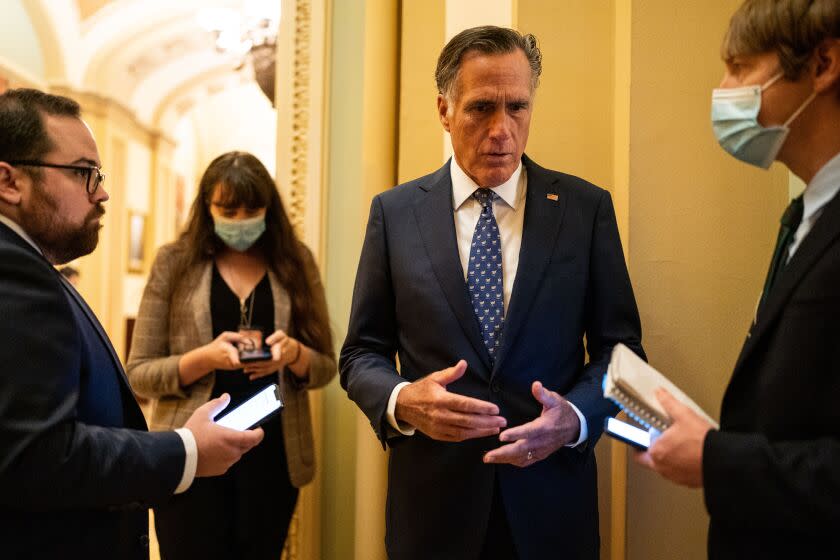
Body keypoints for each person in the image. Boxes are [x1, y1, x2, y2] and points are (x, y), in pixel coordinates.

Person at [340, 26, 645, 560]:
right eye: (482, 108)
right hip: (433, 514)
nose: (502, 129)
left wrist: (573, 419)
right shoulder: (394, 214)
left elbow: (623, 355)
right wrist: (402, 401)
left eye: (518, 107)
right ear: (444, 109)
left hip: (552, 510)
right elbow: (361, 353)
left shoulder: (583, 210)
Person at [0, 89, 263, 560]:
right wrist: (186, 449)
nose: (101, 192)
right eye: (83, 173)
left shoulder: (29, 267)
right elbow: (36, 456)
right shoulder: (14, 273)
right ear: (9, 181)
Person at [635, 1, 840, 557]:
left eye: (741, 67)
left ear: (822, 64)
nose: (724, 90)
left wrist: (715, 458)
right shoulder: (803, 215)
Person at [126, 151, 336, 559]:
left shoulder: (295, 262)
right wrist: (205, 358)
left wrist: (292, 355)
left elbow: (326, 365)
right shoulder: (174, 263)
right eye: (227, 210)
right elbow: (139, 373)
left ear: (268, 209)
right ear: (207, 208)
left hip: (273, 456)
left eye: (251, 210)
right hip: (190, 455)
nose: (240, 221)